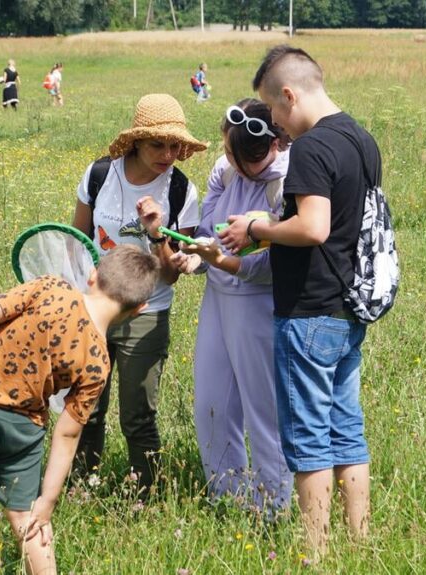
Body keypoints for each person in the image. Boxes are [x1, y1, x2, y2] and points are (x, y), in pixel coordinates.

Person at [219, 45, 380, 556]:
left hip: (309, 312)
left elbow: (313, 227)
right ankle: (359, 540)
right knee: (346, 429)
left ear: (289, 95)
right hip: (348, 306)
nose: (280, 132)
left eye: (276, 111)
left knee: (309, 440)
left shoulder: (312, 148)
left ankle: (315, 550)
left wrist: (256, 228)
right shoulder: (361, 138)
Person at [0, 246, 160, 575]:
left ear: (93, 274)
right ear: (140, 308)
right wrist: (49, 500)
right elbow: (68, 433)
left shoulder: (51, 287)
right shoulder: (100, 362)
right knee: (27, 516)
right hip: (24, 427)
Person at [70, 93, 208, 495]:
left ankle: (146, 496)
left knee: (138, 415)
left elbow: (171, 275)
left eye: (175, 146)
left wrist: (155, 232)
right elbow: (75, 239)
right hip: (94, 308)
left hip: (147, 312)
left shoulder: (181, 190)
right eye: (158, 145)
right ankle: (81, 486)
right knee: (87, 408)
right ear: (136, 141)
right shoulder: (99, 175)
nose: (168, 154)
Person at [170, 99, 292, 514]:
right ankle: (230, 500)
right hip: (218, 300)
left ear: (275, 146)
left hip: (260, 304)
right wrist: (194, 256)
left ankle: (275, 506)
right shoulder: (223, 170)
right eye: (230, 156)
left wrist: (230, 263)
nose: (236, 168)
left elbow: (282, 263)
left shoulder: (287, 181)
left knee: (265, 411)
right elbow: (207, 230)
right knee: (211, 403)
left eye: (248, 164)